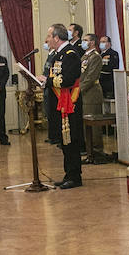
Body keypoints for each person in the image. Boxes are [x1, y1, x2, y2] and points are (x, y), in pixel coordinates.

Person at [43, 23, 84, 188]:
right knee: (65, 142)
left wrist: (48, 81)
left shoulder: (70, 54)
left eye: (49, 36)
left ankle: (75, 177)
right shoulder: (58, 54)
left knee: (71, 141)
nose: (47, 40)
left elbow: (67, 79)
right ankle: (69, 174)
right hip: (60, 104)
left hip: (70, 104)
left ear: (57, 38)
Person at [80, 30, 105, 115]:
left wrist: (79, 89)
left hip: (91, 94)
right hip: (84, 94)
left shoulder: (95, 57)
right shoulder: (85, 56)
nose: (83, 42)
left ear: (92, 42)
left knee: (93, 125)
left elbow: (91, 77)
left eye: (85, 40)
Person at [99, 35, 120, 100]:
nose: (101, 43)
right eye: (100, 42)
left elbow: (112, 67)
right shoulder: (99, 54)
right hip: (100, 83)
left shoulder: (113, 54)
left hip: (108, 83)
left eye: (103, 42)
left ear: (109, 43)